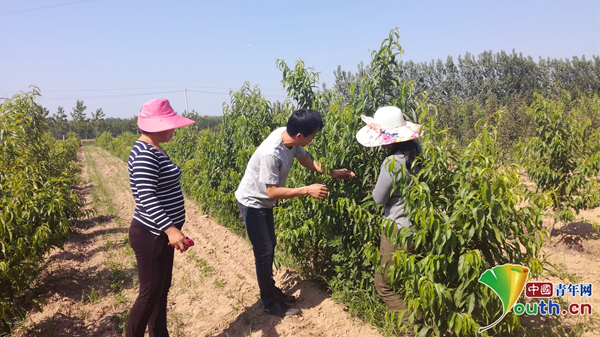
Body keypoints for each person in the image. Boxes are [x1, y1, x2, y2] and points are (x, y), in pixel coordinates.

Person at [234, 108, 355, 317]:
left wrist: (333, 173)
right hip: (252, 202)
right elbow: (272, 192)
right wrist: (307, 190)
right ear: (300, 135)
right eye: (313, 134)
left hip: (262, 203)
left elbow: (306, 161)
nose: (314, 137)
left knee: (269, 246)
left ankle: (271, 291)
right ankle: (270, 302)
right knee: (263, 252)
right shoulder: (272, 153)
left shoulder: (289, 137)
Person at [126, 98, 196, 337]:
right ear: (157, 125)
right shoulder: (146, 153)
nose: (174, 129)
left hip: (158, 234)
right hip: (151, 234)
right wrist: (170, 229)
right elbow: (146, 197)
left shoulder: (154, 148)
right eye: (170, 124)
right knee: (149, 294)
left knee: (160, 290)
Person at [356, 106, 421, 317]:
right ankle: (425, 318)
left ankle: (413, 328)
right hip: (421, 226)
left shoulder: (392, 162)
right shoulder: (419, 154)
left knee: (384, 284)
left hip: (397, 230)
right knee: (412, 280)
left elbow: (378, 198)